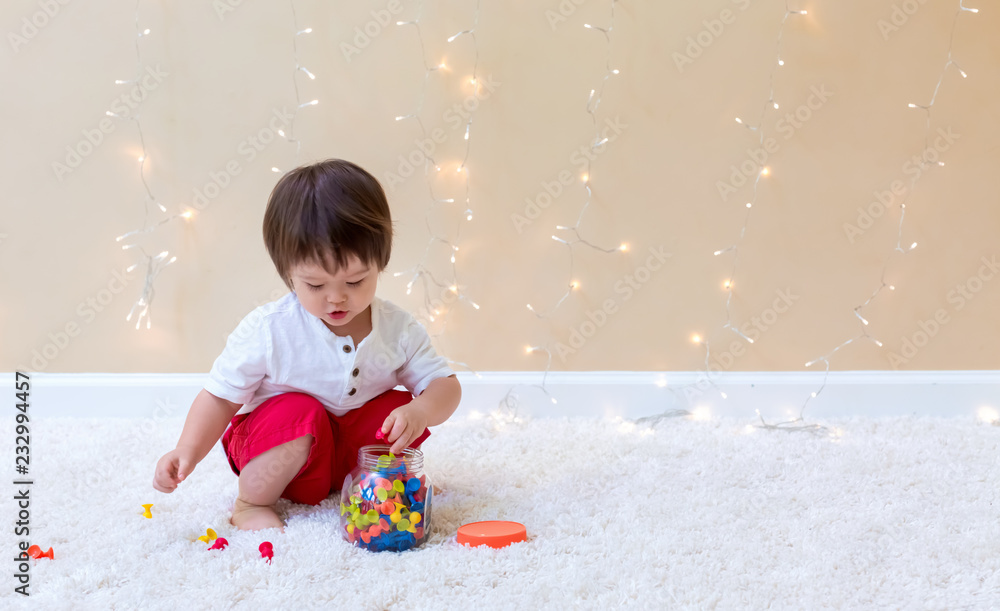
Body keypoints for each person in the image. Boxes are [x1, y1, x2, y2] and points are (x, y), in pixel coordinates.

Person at [152, 158, 462, 532]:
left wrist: (422, 411)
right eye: (315, 286)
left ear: (380, 263)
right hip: (282, 447)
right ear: (289, 274)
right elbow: (220, 397)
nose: (337, 299)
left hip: (348, 455)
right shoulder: (270, 330)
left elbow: (445, 386)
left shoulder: (397, 328)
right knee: (302, 413)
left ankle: (372, 484)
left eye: (355, 281)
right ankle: (250, 503)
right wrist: (188, 449)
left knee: (397, 406)